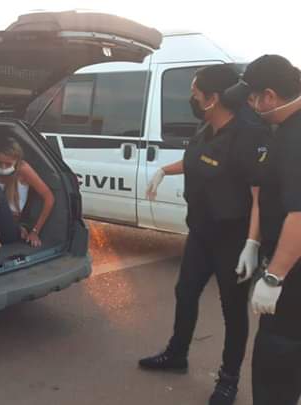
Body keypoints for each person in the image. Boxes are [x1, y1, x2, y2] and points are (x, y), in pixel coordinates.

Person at [139, 64, 269, 405]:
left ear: (213, 98)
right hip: (201, 233)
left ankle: (228, 380)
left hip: (233, 238)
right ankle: (177, 354)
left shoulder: (247, 136)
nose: (191, 98)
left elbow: (259, 197)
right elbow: (197, 160)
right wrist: (163, 171)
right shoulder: (206, 129)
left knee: (232, 310)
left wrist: (252, 244)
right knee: (185, 292)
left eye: (195, 93)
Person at [237, 54, 301, 405]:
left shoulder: (294, 138)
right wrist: (253, 241)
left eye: (252, 97)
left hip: (294, 275)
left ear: (270, 96)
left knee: (275, 360)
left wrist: (274, 277)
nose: (251, 105)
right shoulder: (287, 130)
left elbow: (300, 215)